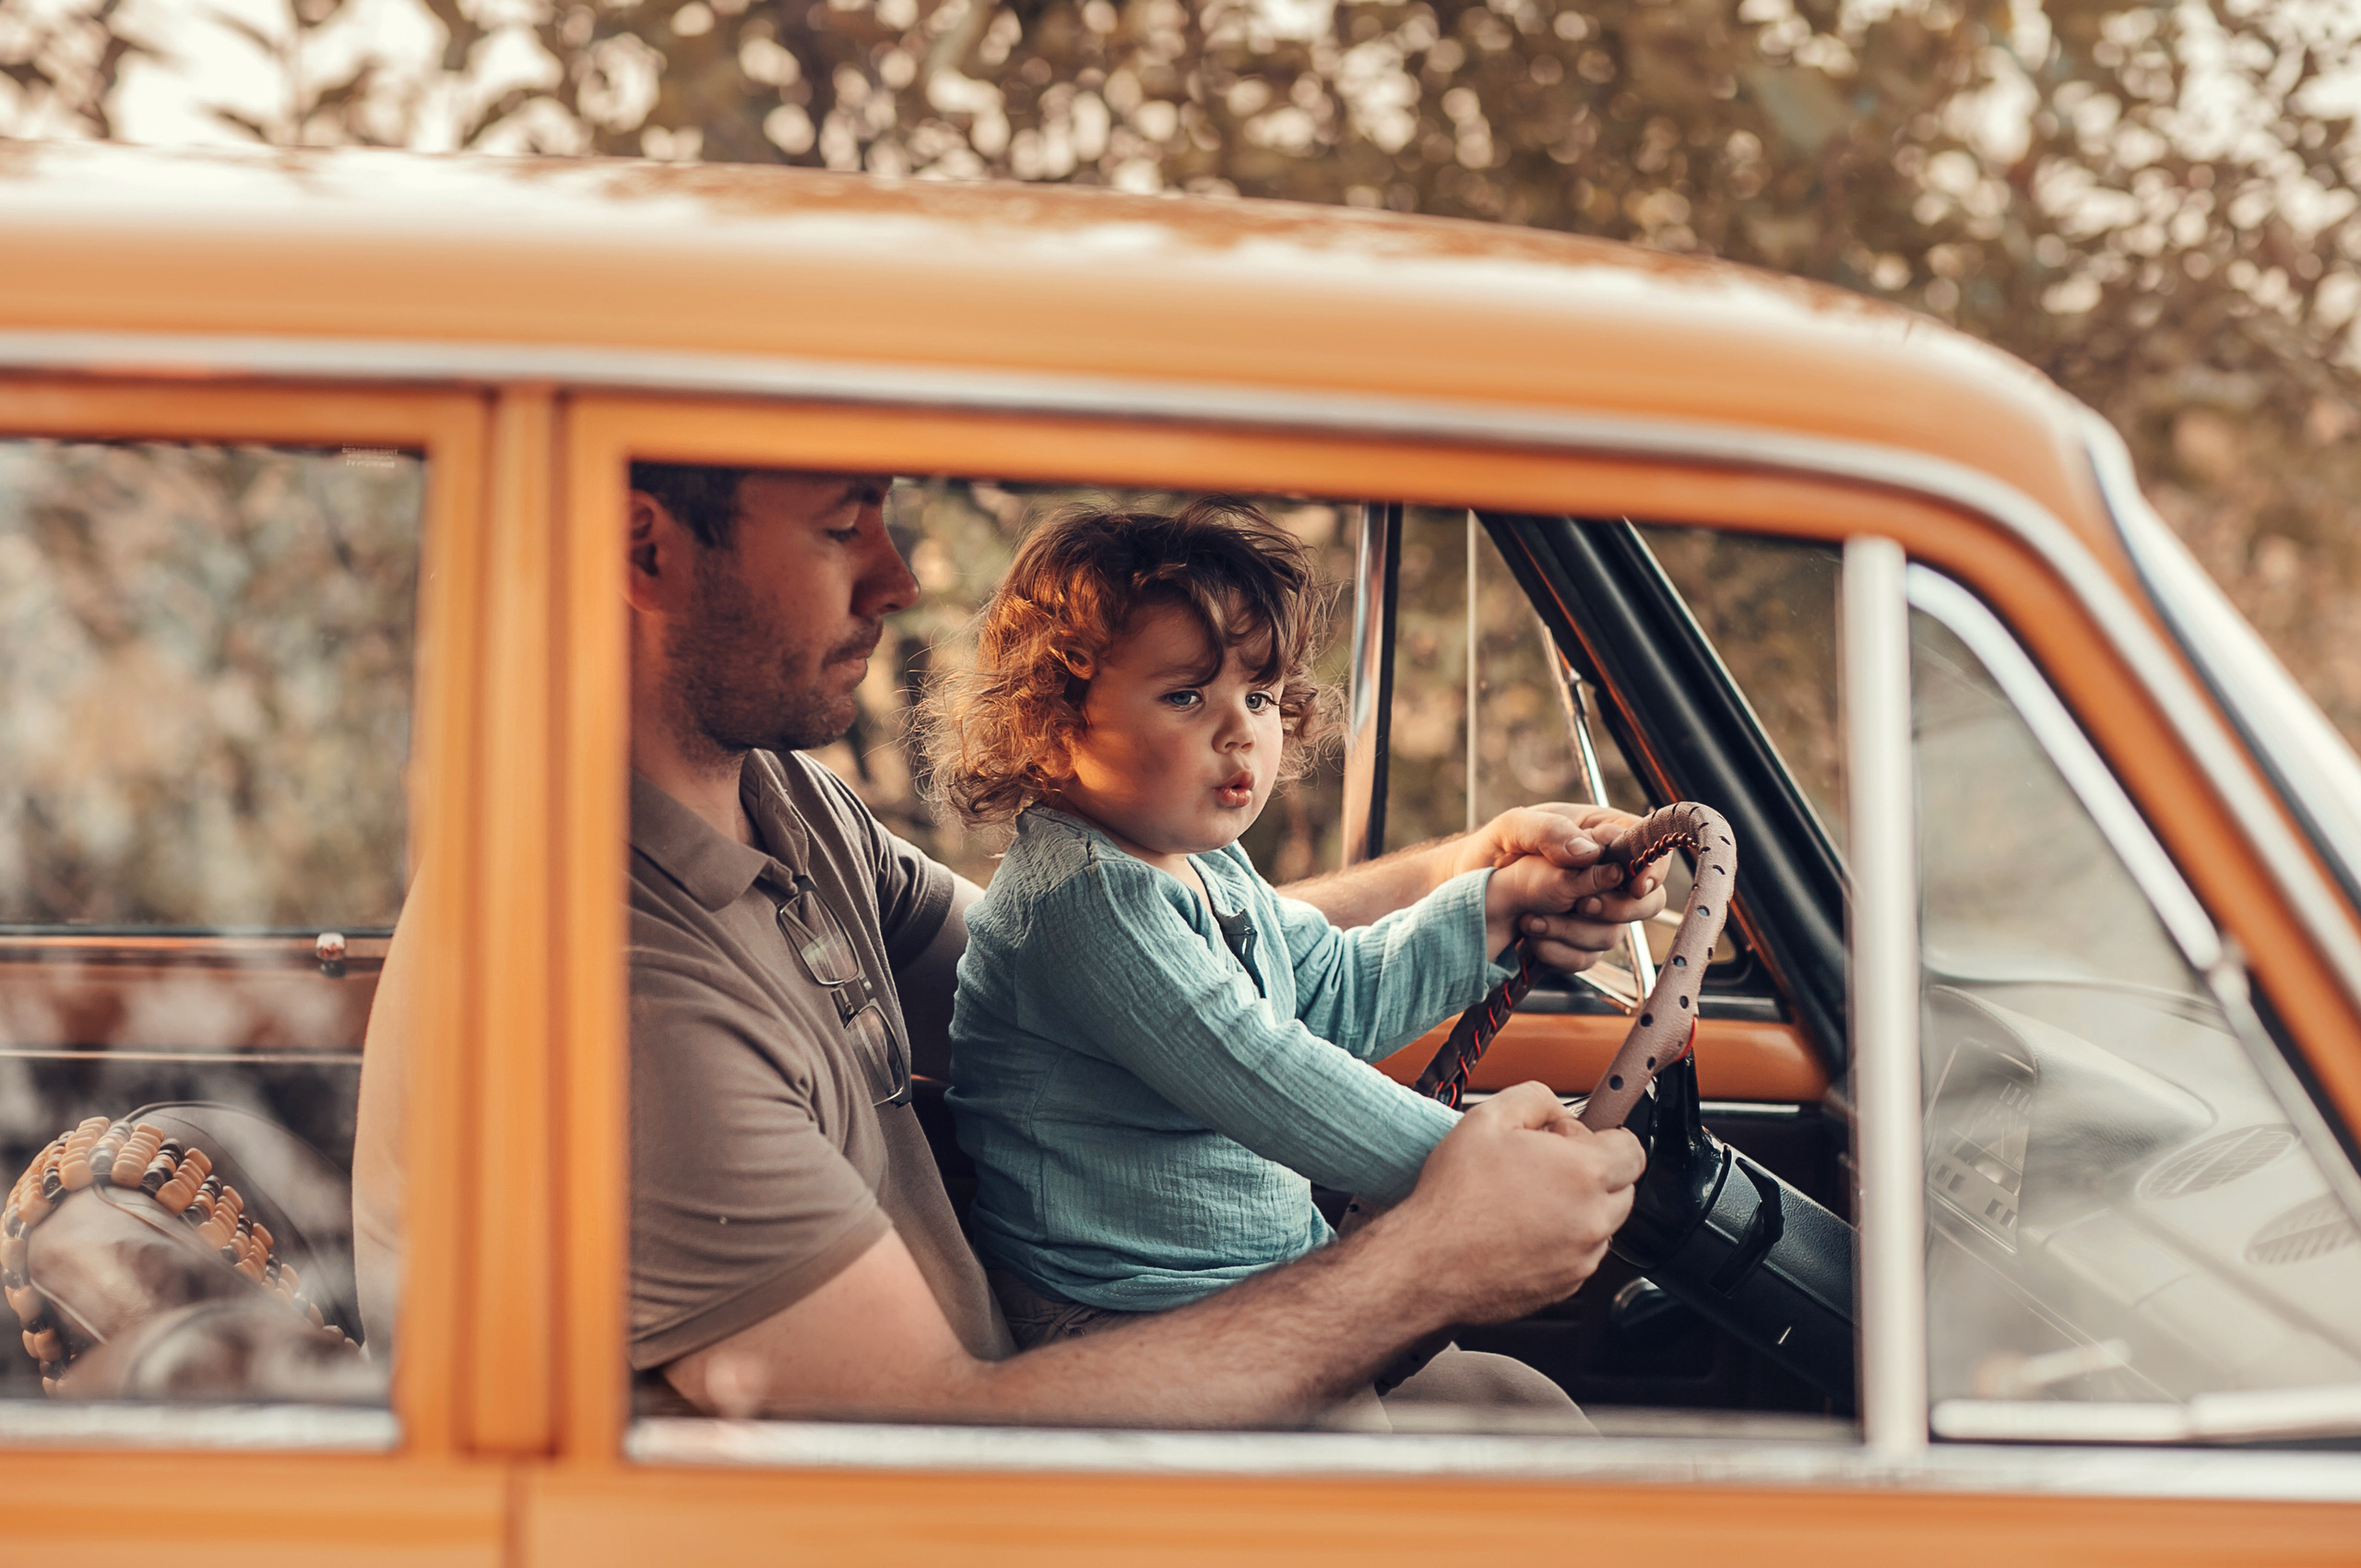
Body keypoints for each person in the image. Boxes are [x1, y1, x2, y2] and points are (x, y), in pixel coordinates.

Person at [351, 463, 1665, 1428]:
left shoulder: (779, 805)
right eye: (841, 526)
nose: (900, 579)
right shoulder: (611, 989)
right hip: (994, 1456)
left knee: (1526, 1418)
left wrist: (1471, 884)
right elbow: (925, 1445)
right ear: (647, 549)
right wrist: (1438, 1243)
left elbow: (1163, 980)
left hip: (1045, 1386)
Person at [926, 501, 1633, 1390]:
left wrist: (1499, 903)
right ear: (1055, 723)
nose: (1241, 731)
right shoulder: (1083, 901)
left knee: (1521, 1400)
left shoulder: (1205, 864)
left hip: (1253, 1281)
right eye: (1186, 696)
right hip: (1123, 1317)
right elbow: (1270, 1077)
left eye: (1258, 697)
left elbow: (1330, 993)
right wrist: (1490, 1169)